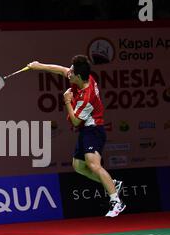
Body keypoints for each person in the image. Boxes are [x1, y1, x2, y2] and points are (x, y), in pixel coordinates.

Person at [28, 55, 126, 217]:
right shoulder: (82, 77)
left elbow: (75, 121)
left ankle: (117, 201)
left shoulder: (87, 98)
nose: (69, 73)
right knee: (79, 166)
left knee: (93, 165)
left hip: (94, 130)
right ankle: (111, 184)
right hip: (86, 131)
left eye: (72, 72)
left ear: (78, 76)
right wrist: (38, 66)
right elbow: (60, 70)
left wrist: (67, 101)